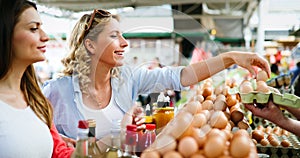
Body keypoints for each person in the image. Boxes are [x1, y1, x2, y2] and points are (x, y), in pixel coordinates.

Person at [42, 9, 271, 146]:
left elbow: (182, 76)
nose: (124, 43)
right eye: (114, 36)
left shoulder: (128, 79)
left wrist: (230, 58)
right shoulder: (55, 92)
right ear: (90, 45)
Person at [0, 0, 74, 157]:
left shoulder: (37, 101)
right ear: (5, 34)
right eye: (34, 29)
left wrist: (112, 141)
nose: (45, 37)